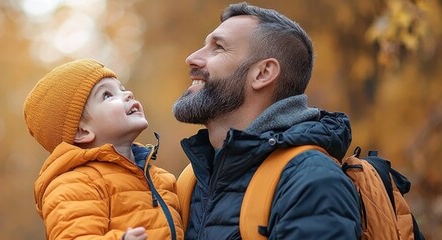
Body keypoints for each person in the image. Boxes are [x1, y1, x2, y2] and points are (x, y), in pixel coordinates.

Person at [172, 2, 361, 239]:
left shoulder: (312, 182)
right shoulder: (191, 181)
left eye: (218, 48)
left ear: (263, 74)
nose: (192, 58)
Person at [24, 59, 183, 240]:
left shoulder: (162, 179)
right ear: (82, 131)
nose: (128, 94)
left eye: (122, 89)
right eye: (107, 95)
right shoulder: (75, 185)